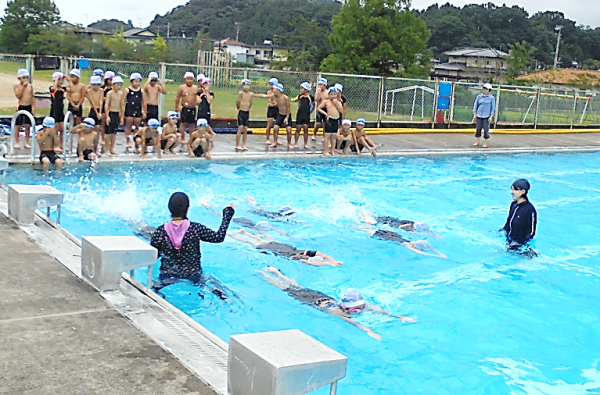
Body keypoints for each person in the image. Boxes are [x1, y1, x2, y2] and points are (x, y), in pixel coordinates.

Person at [260, 267, 416, 340]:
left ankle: (277, 272)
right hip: (311, 300)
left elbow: (376, 309)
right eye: (358, 308)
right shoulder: (337, 311)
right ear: (347, 307)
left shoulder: (358, 305)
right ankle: (268, 276)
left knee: (298, 285)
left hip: (322, 296)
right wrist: (368, 331)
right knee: (287, 287)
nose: (362, 309)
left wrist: (398, 316)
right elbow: (350, 322)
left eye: (361, 306)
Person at [150, 192, 235, 291]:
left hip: (168, 276)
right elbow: (218, 237)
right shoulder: (195, 228)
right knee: (218, 289)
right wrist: (227, 215)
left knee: (156, 287)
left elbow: (152, 256)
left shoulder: (160, 232)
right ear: (188, 209)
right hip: (194, 276)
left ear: (169, 208)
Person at [229, 229, 342, 267]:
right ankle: (233, 235)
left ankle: (246, 232)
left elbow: (319, 254)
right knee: (251, 242)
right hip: (275, 250)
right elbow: (312, 263)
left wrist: (331, 260)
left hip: (280, 246)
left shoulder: (302, 252)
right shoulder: (297, 258)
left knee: (263, 239)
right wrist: (328, 263)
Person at [201, 201, 292, 237]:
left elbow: (275, 229)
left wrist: (291, 236)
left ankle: (208, 207)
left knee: (221, 215)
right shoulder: (256, 229)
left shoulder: (263, 226)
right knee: (221, 215)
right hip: (244, 222)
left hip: (247, 220)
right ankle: (208, 207)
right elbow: (272, 231)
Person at [360, 227, 447, 258]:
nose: (414, 242)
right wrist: (437, 255)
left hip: (395, 235)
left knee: (368, 229)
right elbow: (420, 252)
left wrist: (440, 254)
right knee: (366, 230)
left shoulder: (409, 242)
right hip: (389, 237)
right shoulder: (409, 245)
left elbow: (431, 248)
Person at [502, 179, 537, 251]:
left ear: (523, 192)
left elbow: (531, 232)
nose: (511, 192)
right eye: (511, 189)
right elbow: (508, 223)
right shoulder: (513, 205)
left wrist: (521, 245)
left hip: (520, 246)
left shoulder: (530, 210)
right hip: (509, 241)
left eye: (515, 190)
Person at [254, 83, 291, 148]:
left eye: (274, 89)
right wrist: (254, 95)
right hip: (280, 114)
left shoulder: (285, 98)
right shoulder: (274, 96)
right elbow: (264, 96)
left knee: (289, 130)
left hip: (287, 115)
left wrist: (287, 118)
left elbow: (288, 108)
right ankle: (275, 142)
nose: (273, 90)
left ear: (279, 90)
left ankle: (289, 144)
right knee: (275, 128)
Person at [362, 210, 440, 236]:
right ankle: (363, 211)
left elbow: (428, 229)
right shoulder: (409, 225)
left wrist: (436, 235)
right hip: (389, 222)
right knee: (370, 222)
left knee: (374, 219)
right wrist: (411, 232)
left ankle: (366, 212)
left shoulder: (416, 224)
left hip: (391, 220)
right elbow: (400, 227)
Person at [318, 86, 343, 156]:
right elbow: (319, 108)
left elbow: (341, 110)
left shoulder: (338, 102)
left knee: (334, 136)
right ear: (328, 95)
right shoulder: (326, 102)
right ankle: (325, 151)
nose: (333, 96)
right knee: (327, 136)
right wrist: (325, 114)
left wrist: (336, 103)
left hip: (336, 120)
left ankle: (332, 150)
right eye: (331, 94)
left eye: (334, 94)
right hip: (329, 120)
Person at [13, 68, 35, 149]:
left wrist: (33, 107)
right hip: (21, 106)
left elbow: (32, 97)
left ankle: (26, 142)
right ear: (19, 78)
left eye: (26, 78)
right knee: (18, 125)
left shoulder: (30, 86)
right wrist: (23, 87)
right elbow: (18, 95)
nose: (25, 80)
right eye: (23, 78)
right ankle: (17, 142)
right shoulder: (16, 86)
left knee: (27, 125)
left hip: (28, 106)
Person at [123, 72, 144, 150]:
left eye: (139, 82)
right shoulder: (127, 90)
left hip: (137, 110)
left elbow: (144, 101)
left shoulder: (141, 91)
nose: (137, 83)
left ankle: (136, 141)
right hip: (129, 110)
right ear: (131, 82)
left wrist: (144, 111)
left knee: (137, 127)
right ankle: (128, 141)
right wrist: (122, 113)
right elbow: (123, 101)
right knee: (128, 126)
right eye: (136, 81)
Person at [175, 71, 198, 144]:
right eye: (188, 79)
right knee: (183, 123)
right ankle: (183, 138)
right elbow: (177, 98)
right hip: (185, 108)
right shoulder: (182, 87)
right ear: (185, 80)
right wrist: (176, 107)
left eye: (191, 79)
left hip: (193, 108)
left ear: (193, 80)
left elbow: (198, 97)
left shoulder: (195, 88)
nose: (189, 81)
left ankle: (191, 138)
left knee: (192, 124)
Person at [104, 76, 124, 156]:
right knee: (108, 133)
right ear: (113, 85)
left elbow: (121, 106)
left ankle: (112, 148)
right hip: (110, 113)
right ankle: (107, 149)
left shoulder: (121, 94)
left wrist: (122, 117)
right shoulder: (109, 93)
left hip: (116, 114)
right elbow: (106, 105)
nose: (119, 87)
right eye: (117, 85)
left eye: (120, 85)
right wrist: (107, 116)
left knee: (114, 133)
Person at [473, 82, 496, 148]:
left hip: (486, 116)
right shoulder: (479, 96)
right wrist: (475, 114)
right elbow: (475, 105)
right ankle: (477, 142)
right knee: (478, 128)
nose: (485, 90)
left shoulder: (491, 98)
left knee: (486, 129)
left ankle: (486, 143)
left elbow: (493, 108)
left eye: (486, 89)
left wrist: (491, 116)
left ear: (489, 90)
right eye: (484, 88)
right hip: (479, 115)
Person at [294, 82, 315, 149]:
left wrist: (309, 112)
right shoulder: (300, 96)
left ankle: (305, 143)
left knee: (306, 129)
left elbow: (313, 106)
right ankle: (296, 143)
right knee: (298, 129)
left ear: (306, 89)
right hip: (300, 114)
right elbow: (299, 104)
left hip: (306, 115)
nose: (300, 89)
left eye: (302, 88)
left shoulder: (311, 97)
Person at [235, 78, 253, 151]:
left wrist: (248, 108)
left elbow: (251, 103)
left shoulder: (251, 94)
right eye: (244, 85)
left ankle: (244, 144)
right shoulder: (241, 93)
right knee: (240, 128)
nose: (246, 87)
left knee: (245, 129)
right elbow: (237, 102)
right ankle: (237, 144)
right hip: (241, 112)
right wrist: (239, 108)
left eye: (248, 85)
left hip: (247, 112)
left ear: (250, 86)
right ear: (242, 86)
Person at [49, 72, 66, 149]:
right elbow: (53, 88)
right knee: (55, 130)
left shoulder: (62, 89)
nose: (61, 82)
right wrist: (56, 79)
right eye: (59, 80)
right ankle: (55, 145)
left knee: (62, 129)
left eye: (62, 80)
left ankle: (62, 145)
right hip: (54, 111)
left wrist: (68, 79)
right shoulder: (52, 89)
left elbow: (71, 89)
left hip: (61, 111)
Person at [100, 71, 115, 149]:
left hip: (112, 108)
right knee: (103, 124)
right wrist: (108, 99)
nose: (111, 82)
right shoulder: (103, 89)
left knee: (110, 125)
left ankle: (109, 140)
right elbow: (101, 98)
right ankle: (103, 138)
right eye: (110, 80)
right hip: (103, 108)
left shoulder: (114, 89)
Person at [312, 78, 328, 142]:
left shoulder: (327, 92)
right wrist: (318, 93)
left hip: (326, 109)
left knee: (325, 124)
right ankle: (314, 134)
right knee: (318, 123)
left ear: (325, 85)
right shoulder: (318, 92)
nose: (320, 86)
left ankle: (324, 136)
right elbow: (316, 100)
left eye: (321, 85)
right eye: (319, 85)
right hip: (319, 109)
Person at [265, 78, 279, 145]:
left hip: (277, 110)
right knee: (269, 125)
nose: (271, 86)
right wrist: (275, 104)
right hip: (271, 109)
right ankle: (267, 139)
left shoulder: (278, 92)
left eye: (272, 85)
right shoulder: (269, 92)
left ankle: (276, 139)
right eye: (270, 85)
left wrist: (276, 104)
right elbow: (270, 103)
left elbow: (279, 102)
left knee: (277, 125)